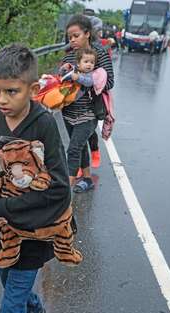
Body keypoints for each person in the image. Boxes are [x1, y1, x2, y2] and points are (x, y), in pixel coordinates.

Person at [0, 43, 71, 313]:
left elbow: (59, 188)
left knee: (10, 312)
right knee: (10, 284)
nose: (1, 99)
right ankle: (34, 309)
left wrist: (5, 209)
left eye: (12, 91)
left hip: (32, 234)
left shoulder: (44, 126)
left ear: (33, 89)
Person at [60, 14, 114, 193]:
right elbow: (63, 80)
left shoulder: (99, 53)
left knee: (73, 148)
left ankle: (67, 186)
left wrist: (84, 79)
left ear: (87, 33)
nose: (72, 40)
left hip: (89, 112)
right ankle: (88, 178)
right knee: (80, 145)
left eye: (76, 36)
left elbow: (109, 82)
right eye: (70, 37)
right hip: (69, 111)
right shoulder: (69, 55)